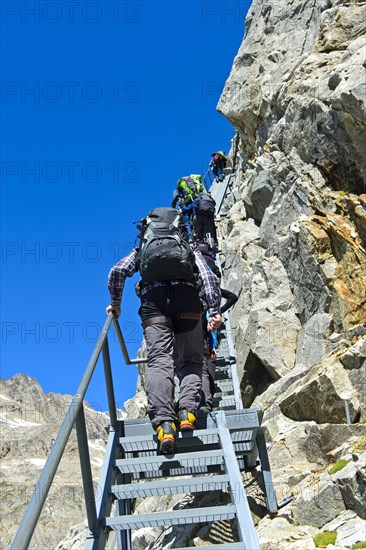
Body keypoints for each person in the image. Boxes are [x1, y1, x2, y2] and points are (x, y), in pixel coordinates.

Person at [106, 207, 222, 455]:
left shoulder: (142, 249)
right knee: (191, 360)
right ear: (178, 226)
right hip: (188, 300)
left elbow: (117, 272)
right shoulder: (186, 245)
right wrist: (214, 311)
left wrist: (116, 306)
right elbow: (207, 276)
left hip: (153, 303)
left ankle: (165, 426)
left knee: (160, 362)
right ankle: (188, 412)